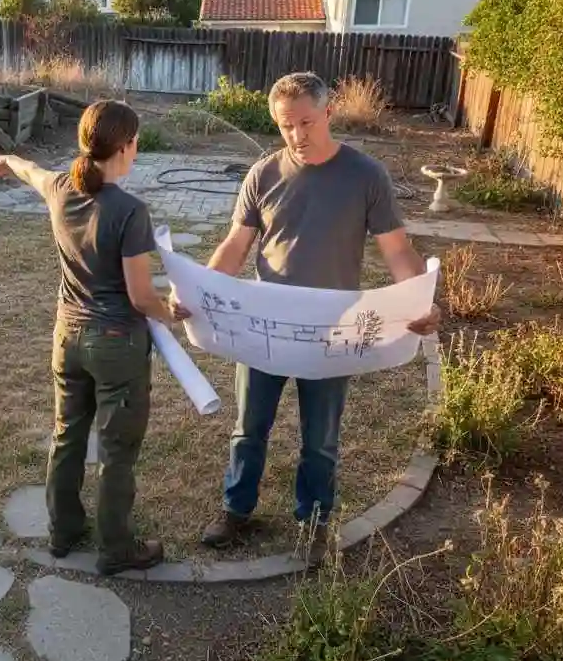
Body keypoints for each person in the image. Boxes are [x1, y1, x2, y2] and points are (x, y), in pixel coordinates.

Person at [175, 72, 441, 563]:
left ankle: (314, 520)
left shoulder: (366, 176)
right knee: (248, 427)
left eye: (306, 122)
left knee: (320, 439)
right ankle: (236, 509)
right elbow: (236, 244)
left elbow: (397, 249)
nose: (297, 135)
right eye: (285, 125)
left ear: (329, 114)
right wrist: (199, 290)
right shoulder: (263, 174)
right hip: (264, 327)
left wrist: (419, 301)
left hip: (332, 332)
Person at [0, 99, 189, 576]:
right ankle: (116, 549)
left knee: (67, 434)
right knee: (116, 450)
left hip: (67, 337)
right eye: (135, 143)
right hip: (116, 343)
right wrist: (172, 314)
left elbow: (29, 169)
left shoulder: (60, 188)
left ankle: (62, 532)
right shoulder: (130, 211)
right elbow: (141, 296)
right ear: (124, 146)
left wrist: (4, 161)